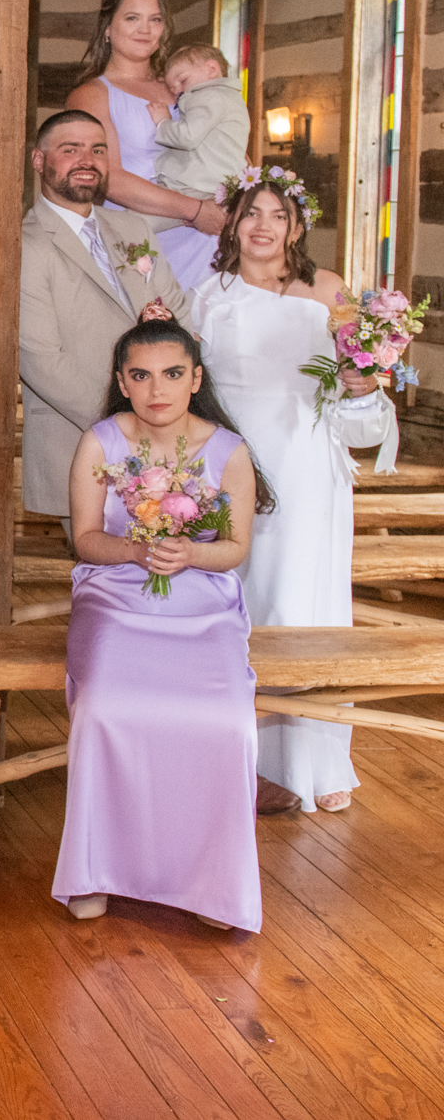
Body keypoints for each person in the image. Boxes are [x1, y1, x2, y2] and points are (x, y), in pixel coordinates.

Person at [53, 318, 267, 933]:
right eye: (141, 375)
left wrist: (191, 552)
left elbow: (235, 548)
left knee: (228, 721)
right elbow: (86, 539)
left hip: (202, 601)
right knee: (102, 708)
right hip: (116, 594)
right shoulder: (100, 443)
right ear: (122, 382)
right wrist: (137, 551)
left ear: (195, 378)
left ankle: (213, 883)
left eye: (172, 374)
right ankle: (95, 872)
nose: (157, 389)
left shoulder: (230, 450)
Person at [192, 173, 393, 815]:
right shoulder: (206, 297)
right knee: (243, 602)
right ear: (233, 222)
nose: (263, 226)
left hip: (307, 468)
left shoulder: (329, 291)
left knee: (303, 604)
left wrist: (365, 385)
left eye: (278, 215)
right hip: (234, 467)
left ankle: (316, 758)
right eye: (251, 213)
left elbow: (357, 390)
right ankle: (236, 757)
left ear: (297, 227)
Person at [20, 111, 188, 533]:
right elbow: (41, 360)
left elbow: (179, 320)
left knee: (172, 564)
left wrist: (170, 418)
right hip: (83, 442)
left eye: (98, 150)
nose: (87, 160)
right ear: (39, 160)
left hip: (168, 437)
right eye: (70, 149)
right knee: (107, 569)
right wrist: (128, 428)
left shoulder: (134, 229)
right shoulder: (23, 244)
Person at [64, 0, 228, 288]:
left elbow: (222, 140)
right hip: (146, 238)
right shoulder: (92, 95)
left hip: (211, 236)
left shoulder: (182, 86)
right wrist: (194, 210)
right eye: (132, 18)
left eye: (155, 19)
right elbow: (109, 177)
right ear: (107, 28)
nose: (146, 29)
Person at [148, 44, 250, 202]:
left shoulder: (210, 96)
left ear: (211, 69)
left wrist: (163, 122)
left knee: (147, 208)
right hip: (216, 183)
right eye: (172, 88)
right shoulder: (230, 97)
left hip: (196, 183)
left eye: (183, 80)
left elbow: (187, 136)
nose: (177, 91)